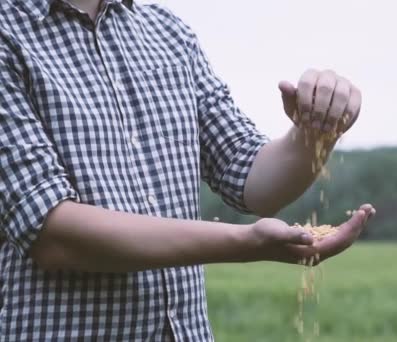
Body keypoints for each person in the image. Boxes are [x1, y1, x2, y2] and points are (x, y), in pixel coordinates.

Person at [0, 0, 375, 340]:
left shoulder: (168, 34)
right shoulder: (8, 32)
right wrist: (246, 244)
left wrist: (312, 134)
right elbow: (52, 233)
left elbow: (249, 175)